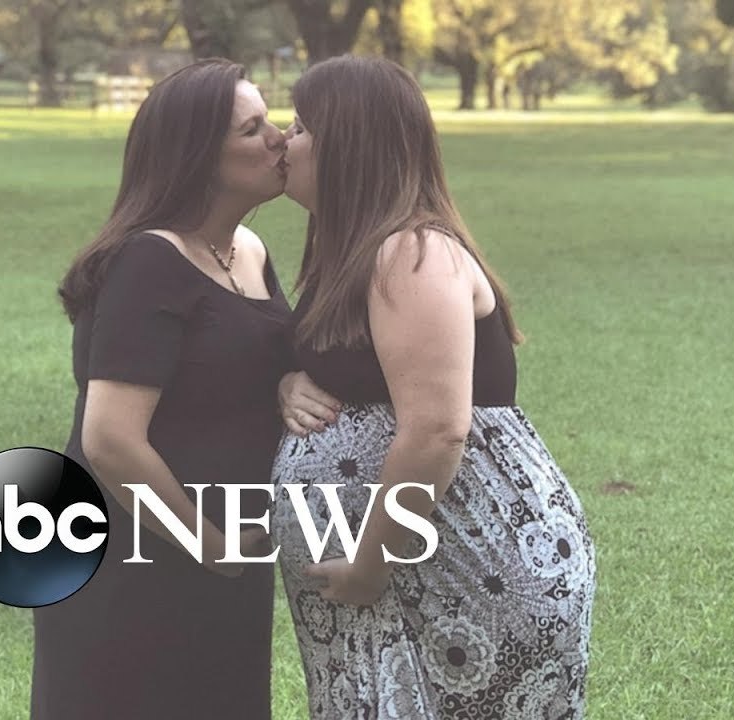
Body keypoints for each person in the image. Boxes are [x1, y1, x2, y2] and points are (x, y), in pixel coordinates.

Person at [271, 55, 597, 719]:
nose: (284, 139)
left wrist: (369, 566)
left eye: (301, 127)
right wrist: (290, 381)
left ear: (347, 146)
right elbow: (358, 366)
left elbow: (436, 429)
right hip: (409, 585)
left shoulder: (411, 253)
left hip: (464, 577)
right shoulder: (358, 250)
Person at [33, 59, 296, 719]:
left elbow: (251, 357)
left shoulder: (250, 250)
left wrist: (290, 380)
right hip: (136, 563)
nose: (279, 138)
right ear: (198, 158)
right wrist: (209, 544)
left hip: (224, 559)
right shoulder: (149, 261)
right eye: (252, 130)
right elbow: (110, 439)